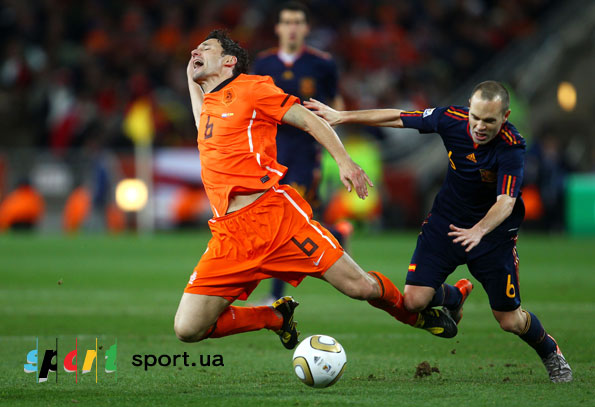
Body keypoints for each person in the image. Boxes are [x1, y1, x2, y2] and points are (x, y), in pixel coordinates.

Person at [174, 29, 458, 352]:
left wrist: (345, 161)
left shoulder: (252, 89)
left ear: (229, 61)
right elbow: (201, 121)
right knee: (188, 328)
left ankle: (415, 316)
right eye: (195, 48)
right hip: (230, 237)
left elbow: (309, 120)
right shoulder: (210, 106)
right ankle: (274, 317)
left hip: (276, 221)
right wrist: (190, 75)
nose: (196, 51)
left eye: (205, 48)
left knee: (360, 287)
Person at [304, 81, 573, 383]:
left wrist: (478, 231)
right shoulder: (450, 119)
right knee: (414, 301)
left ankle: (550, 351)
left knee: (510, 320)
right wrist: (342, 116)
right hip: (446, 223)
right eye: (475, 117)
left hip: (492, 236)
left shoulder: (512, 147)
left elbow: (506, 202)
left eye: (489, 121)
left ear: (505, 116)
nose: (479, 126)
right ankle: (455, 296)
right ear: (469, 108)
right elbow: (399, 117)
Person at [252, 1, 349, 303]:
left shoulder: (322, 63)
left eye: (297, 22)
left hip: (306, 151)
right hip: (272, 150)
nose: (292, 28)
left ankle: (276, 296)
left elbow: (335, 102)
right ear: (277, 28)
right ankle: (337, 234)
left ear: (306, 28)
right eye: (287, 22)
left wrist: (333, 132)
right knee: (282, 219)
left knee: (287, 221)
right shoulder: (263, 64)